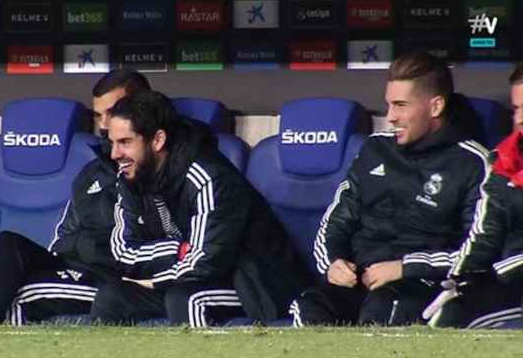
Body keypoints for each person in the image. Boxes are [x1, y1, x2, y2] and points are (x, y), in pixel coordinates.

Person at [289, 51, 490, 327]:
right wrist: (334, 263)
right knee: (309, 305)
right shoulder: (375, 148)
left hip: (420, 284)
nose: (391, 116)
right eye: (389, 105)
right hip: (360, 279)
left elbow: (477, 251)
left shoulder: (472, 162)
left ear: (435, 107)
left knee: (384, 309)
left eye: (400, 105)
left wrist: (403, 268)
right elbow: (335, 222)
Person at [89, 90, 307, 327]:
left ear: (158, 140)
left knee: (186, 299)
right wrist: (178, 250)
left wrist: (155, 281)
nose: (114, 154)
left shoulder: (208, 177)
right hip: (183, 277)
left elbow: (206, 262)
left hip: (256, 285)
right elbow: (123, 252)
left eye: (125, 142)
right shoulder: (130, 177)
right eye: (112, 143)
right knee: (111, 297)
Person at [0, 69, 151, 325]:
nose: (103, 125)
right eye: (98, 115)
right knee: (8, 245)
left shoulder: (151, 168)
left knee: (17, 296)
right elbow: (64, 236)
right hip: (71, 268)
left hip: (110, 278)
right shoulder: (91, 173)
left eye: (112, 112)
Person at [425, 63, 523, 329]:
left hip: (510, 273)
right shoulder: (505, 160)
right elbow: (486, 233)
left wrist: (502, 270)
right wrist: (459, 278)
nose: (521, 118)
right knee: (451, 314)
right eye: (517, 109)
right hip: (511, 282)